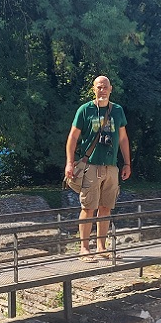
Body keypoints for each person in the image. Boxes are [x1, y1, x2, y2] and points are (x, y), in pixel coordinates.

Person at [64, 76, 131, 259]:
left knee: (105, 207)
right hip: (91, 166)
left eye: (105, 87)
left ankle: (102, 248)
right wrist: (69, 162)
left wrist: (127, 163)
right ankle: (84, 248)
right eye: (99, 87)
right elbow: (73, 138)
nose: (102, 90)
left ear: (111, 89)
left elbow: (123, 138)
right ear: (93, 89)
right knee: (88, 208)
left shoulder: (117, 111)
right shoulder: (85, 110)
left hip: (111, 167)